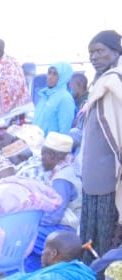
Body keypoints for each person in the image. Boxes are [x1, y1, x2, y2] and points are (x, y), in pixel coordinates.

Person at [81, 30, 122, 258]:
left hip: (110, 178)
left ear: (116, 52)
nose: (94, 57)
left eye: (100, 51)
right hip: (93, 177)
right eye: (91, 53)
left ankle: (99, 277)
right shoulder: (100, 83)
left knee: (105, 240)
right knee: (90, 237)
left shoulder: (114, 83)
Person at [31, 131, 82, 270]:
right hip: (66, 227)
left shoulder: (62, 178)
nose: (41, 159)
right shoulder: (69, 169)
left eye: (43, 155)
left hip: (65, 229)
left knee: (25, 236)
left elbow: (54, 216)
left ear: (51, 156)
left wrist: (33, 222)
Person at [35, 62, 78, 136]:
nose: (50, 77)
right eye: (49, 73)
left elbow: (64, 131)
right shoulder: (46, 95)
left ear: (64, 77)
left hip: (50, 142)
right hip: (37, 141)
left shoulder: (65, 99)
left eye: (55, 74)